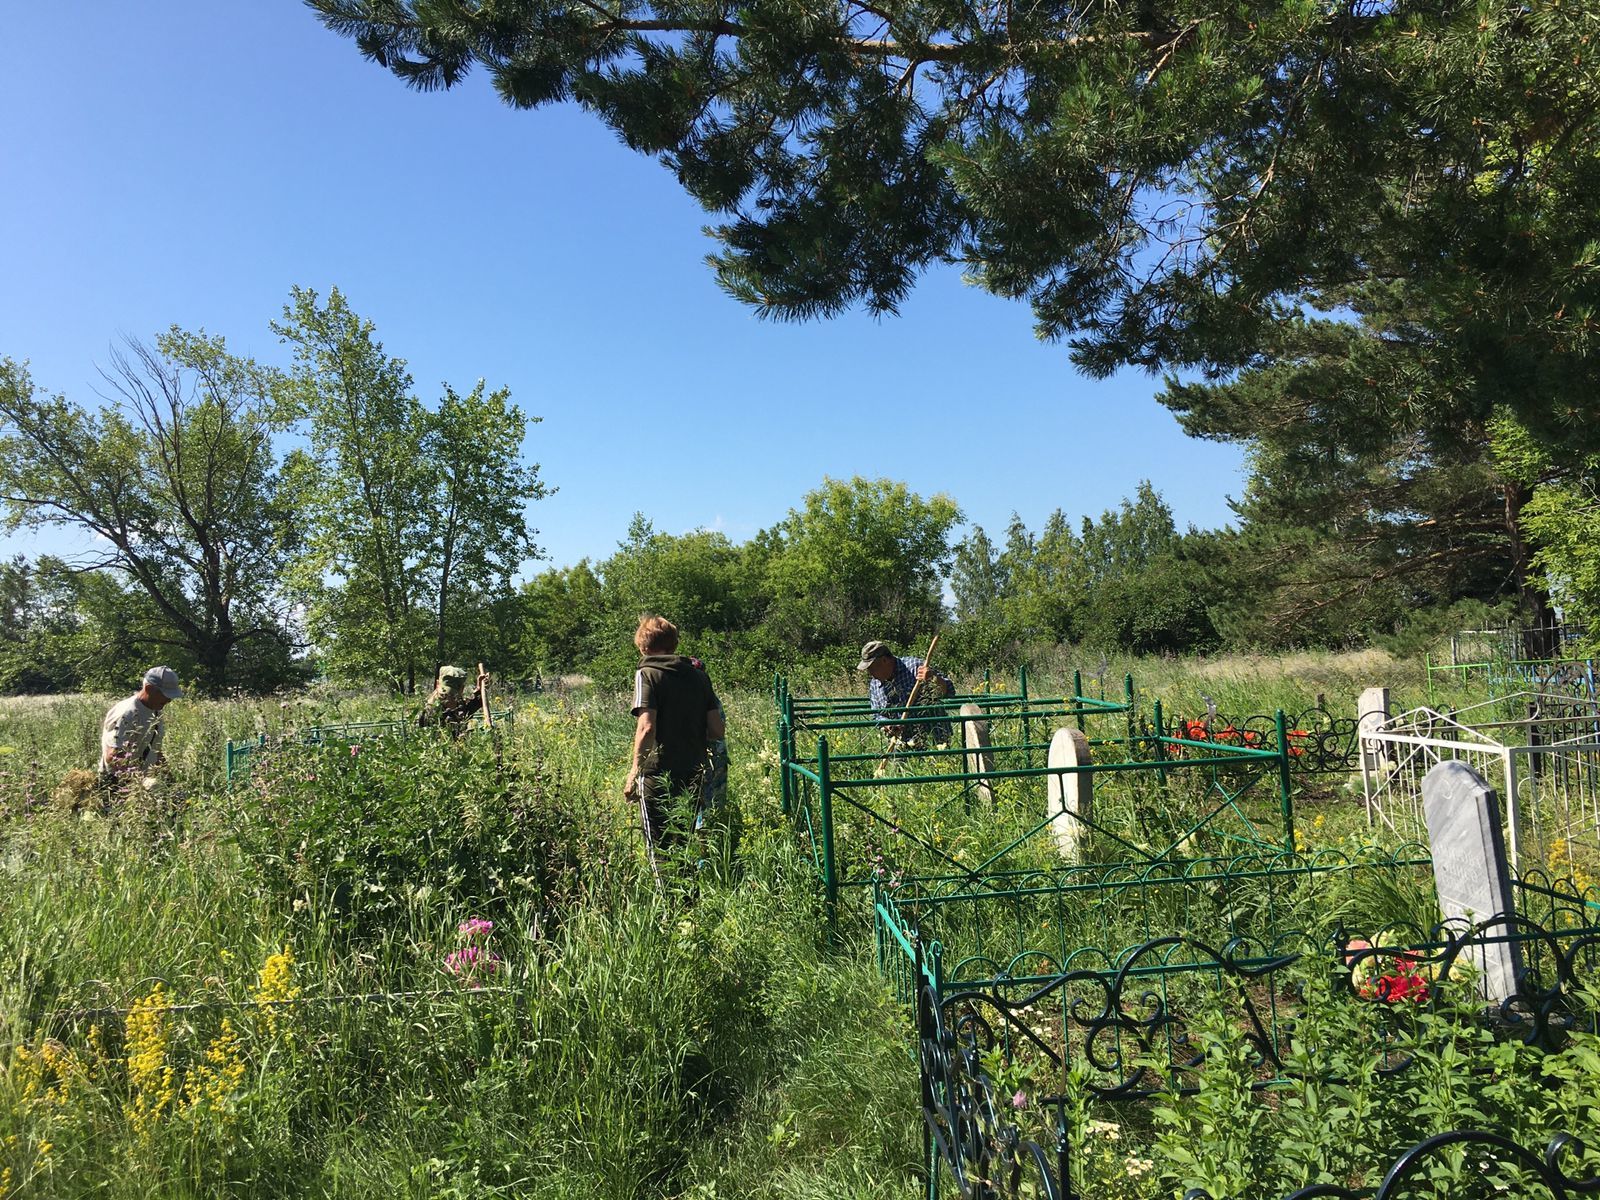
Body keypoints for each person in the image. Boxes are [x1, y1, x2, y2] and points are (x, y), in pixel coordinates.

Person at [624, 616, 725, 866]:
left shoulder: (646, 673)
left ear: (643, 646)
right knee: (685, 843)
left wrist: (634, 771)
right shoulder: (699, 676)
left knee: (659, 848)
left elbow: (646, 728)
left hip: (658, 774)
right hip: (694, 770)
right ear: (674, 644)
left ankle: (670, 905)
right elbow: (716, 730)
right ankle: (691, 901)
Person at [857, 639, 953, 745]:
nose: (870, 673)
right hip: (901, 745)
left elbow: (949, 691)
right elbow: (876, 714)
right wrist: (889, 725)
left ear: (884, 660)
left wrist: (933, 678)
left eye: (871, 668)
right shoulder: (874, 684)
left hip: (934, 741)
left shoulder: (915, 667)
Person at [99, 666, 184, 782]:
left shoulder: (156, 711)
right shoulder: (127, 713)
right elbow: (113, 757)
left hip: (140, 787)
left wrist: (171, 781)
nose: (169, 700)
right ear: (148, 689)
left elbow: (154, 751)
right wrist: (140, 784)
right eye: (166, 694)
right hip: (117, 786)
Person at [419, 665, 487, 734]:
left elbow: (469, 708)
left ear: (461, 690)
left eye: (452, 695)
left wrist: (479, 690)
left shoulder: (459, 704)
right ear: (437, 684)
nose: (448, 699)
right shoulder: (428, 710)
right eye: (443, 695)